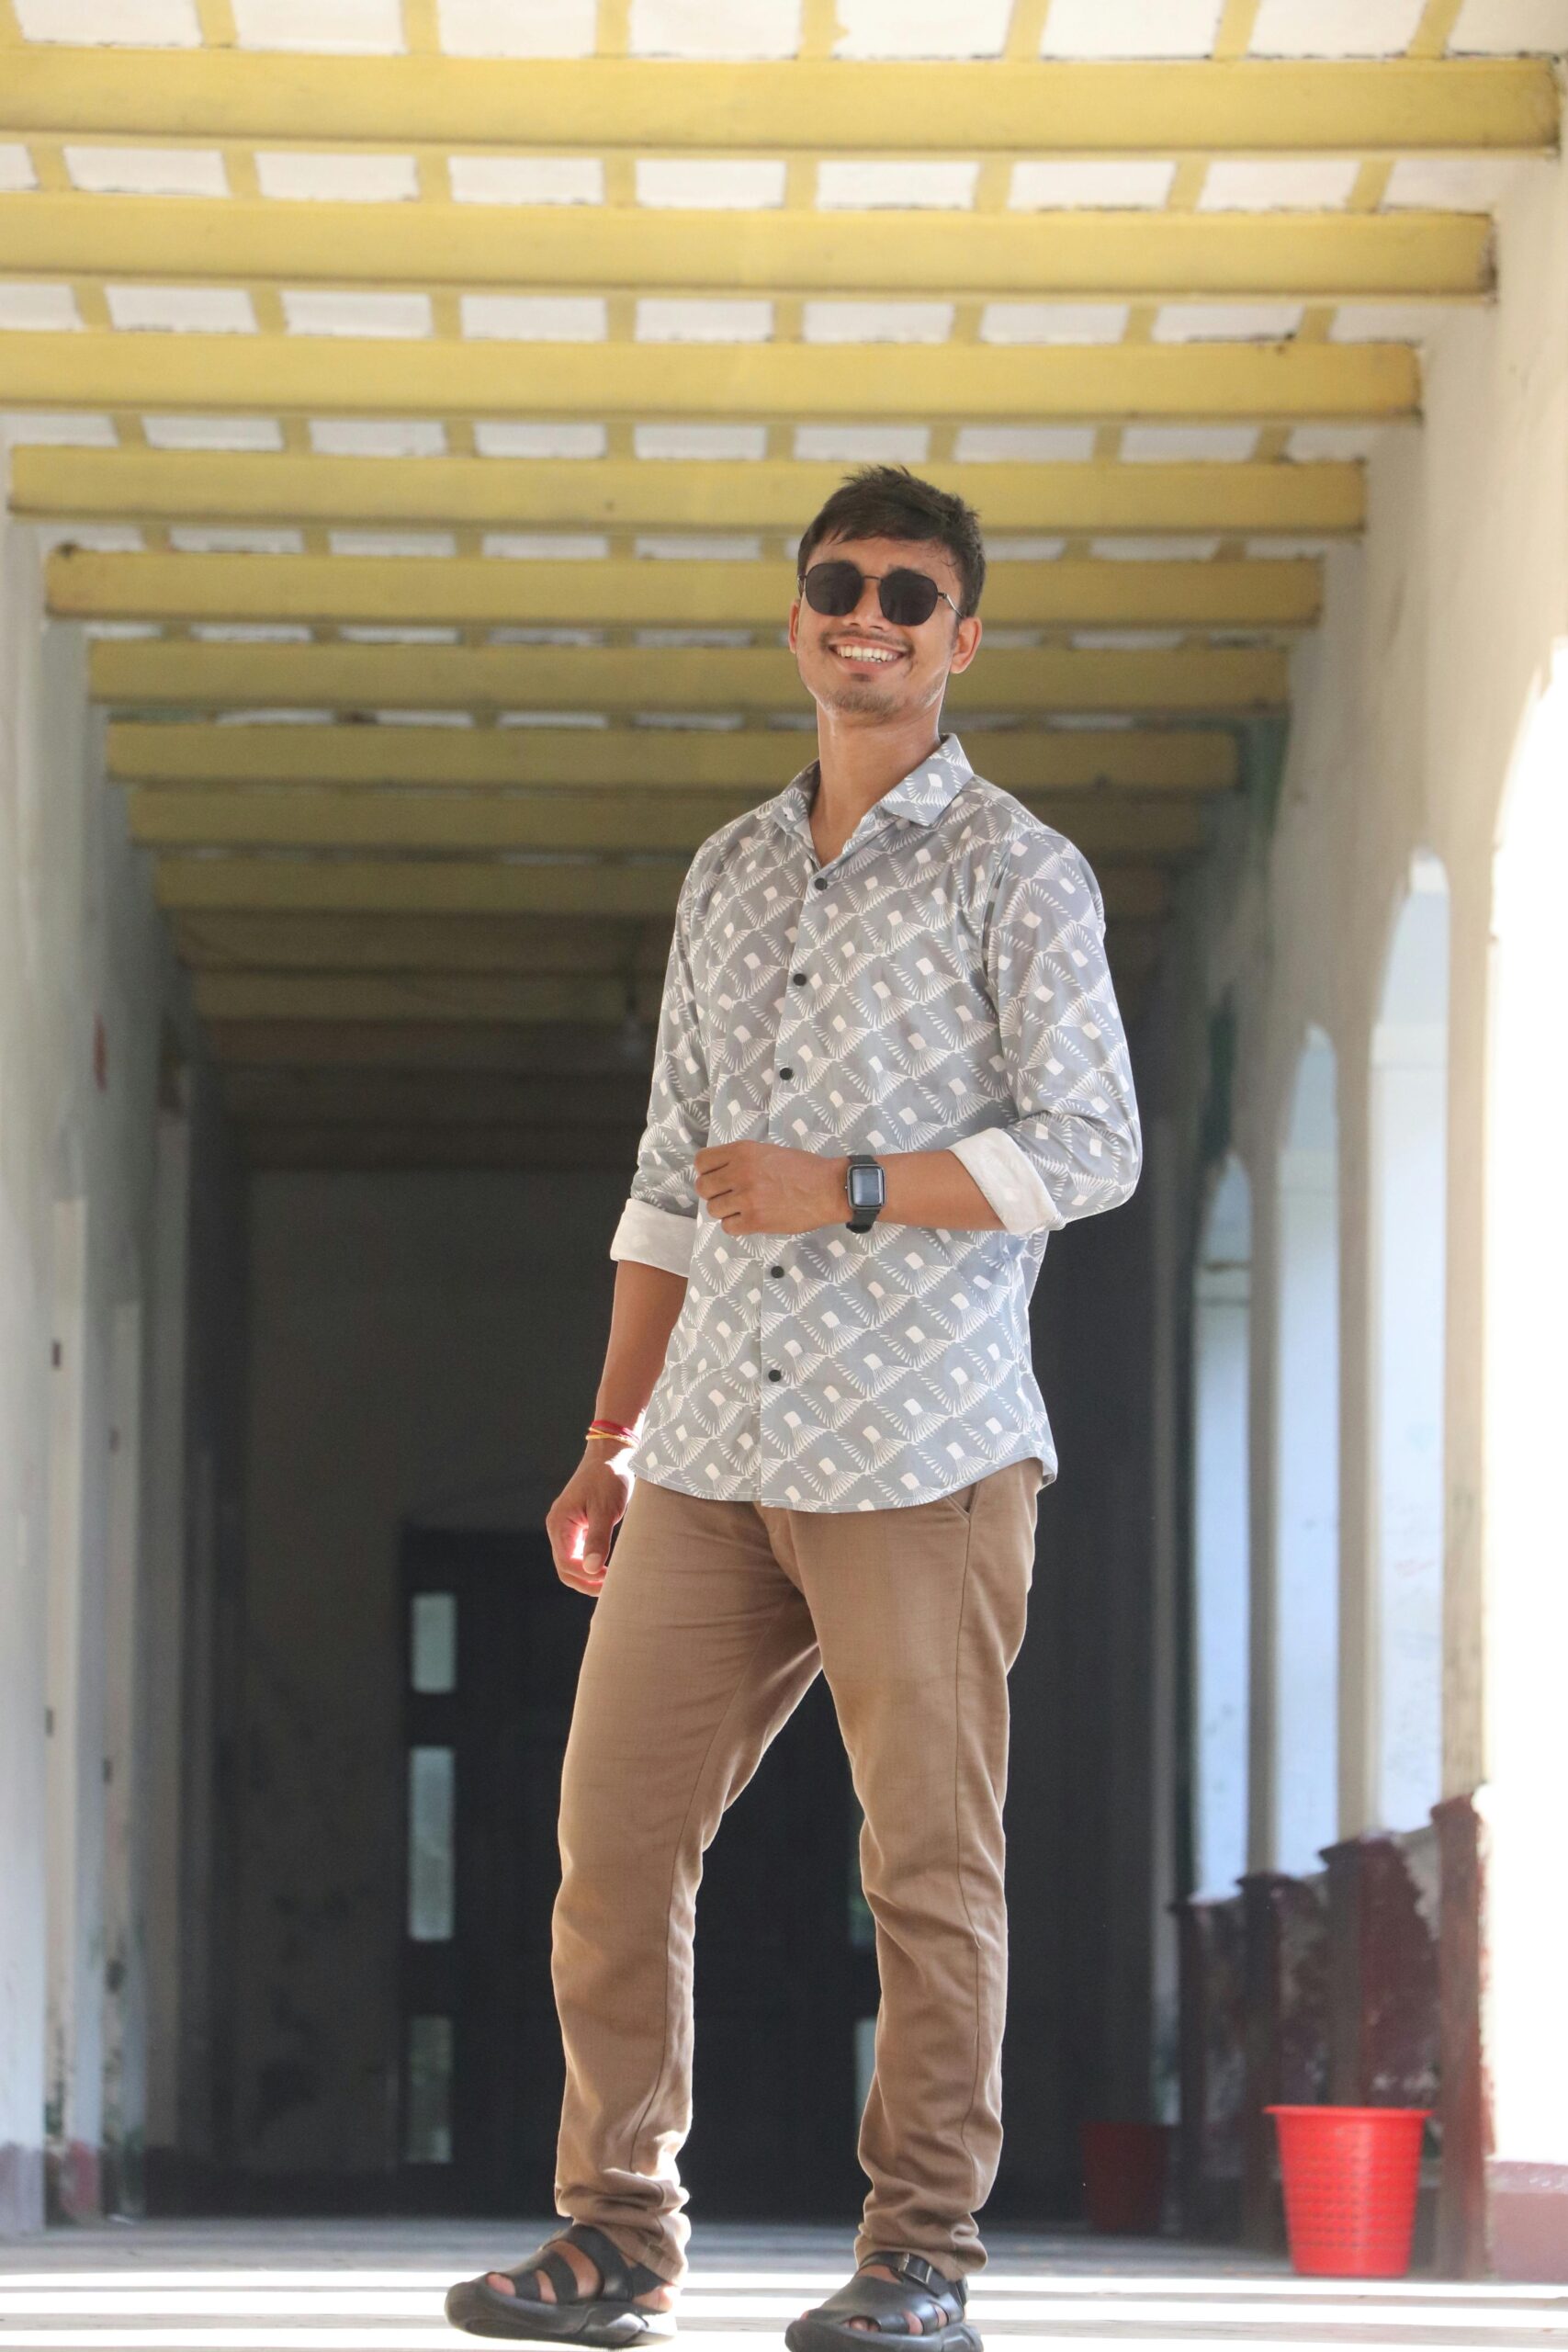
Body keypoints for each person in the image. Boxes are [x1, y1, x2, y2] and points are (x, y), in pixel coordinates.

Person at [446, 467, 1142, 2352]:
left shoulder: (1019, 870)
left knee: (922, 1864)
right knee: (610, 1835)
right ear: (793, 616)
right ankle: (615, 2229)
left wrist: (847, 1179)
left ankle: (919, 2253)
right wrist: (606, 1438)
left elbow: (1090, 1145)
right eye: (836, 582)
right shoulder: (729, 871)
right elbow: (670, 1172)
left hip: (918, 1449)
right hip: (710, 1452)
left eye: (908, 593)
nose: (868, 615)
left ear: (959, 635)